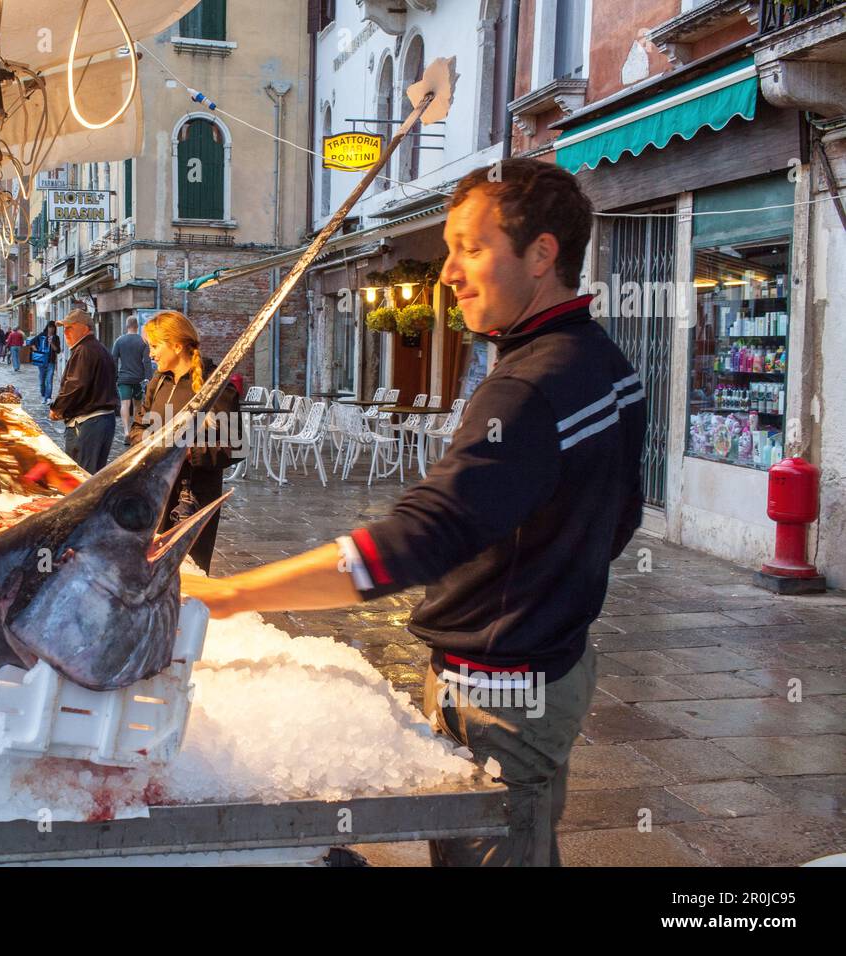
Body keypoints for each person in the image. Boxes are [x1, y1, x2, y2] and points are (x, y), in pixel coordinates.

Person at [182, 159, 646, 867]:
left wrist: (226, 595)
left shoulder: (526, 388)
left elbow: (411, 542)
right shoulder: (605, 359)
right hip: (557, 667)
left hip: (501, 692)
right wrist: (550, 587)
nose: (449, 272)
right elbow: (620, 520)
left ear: (542, 253)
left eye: (472, 247)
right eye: (451, 249)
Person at [128, 311, 240, 573]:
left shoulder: (218, 385)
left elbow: (232, 446)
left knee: (187, 572)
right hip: (153, 495)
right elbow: (136, 427)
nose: (150, 354)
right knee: (149, 569)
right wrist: (148, 443)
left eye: (155, 346)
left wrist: (185, 452)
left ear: (177, 345)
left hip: (192, 498)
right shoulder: (158, 382)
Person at [49, 309, 118, 473]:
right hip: (100, 421)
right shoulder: (97, 348)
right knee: (89, 475)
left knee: (80, 477)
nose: (65, 332)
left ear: (85, 328)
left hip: (89, 422)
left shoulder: (85, 350)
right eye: (64, 328)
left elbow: (75, 385)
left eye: (70, 327)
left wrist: (58, 408)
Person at [112, 315, 151, 439]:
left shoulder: (119, 341)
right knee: (137, 405)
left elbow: (113, 359)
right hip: (138, 379)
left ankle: (126, 431)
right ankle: (135, 430)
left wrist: (115, 376)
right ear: (137, 326)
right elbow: (147, 361)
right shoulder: (143, 341)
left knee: (125, 404)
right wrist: (148, 377)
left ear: (127, 326)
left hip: (123, 378)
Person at [31, 319, 62, 403]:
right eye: (50, 327)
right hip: (41, 362)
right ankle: (44, 395)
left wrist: (51, 343)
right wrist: (37, 352)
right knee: (42, 381)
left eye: (53, 328)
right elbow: (32, 342)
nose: (51, 329)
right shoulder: (41, 335)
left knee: (49, 381)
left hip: (51, 362)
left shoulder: (56, 338)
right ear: (47, 328)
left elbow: (58, 350)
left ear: (55, 329)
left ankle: (48, 398)